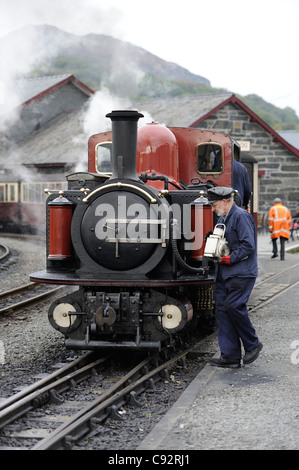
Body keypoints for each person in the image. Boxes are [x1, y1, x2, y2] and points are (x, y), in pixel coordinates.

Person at [206, 186, 263, 368]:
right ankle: (230, 356)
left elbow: (248, 245)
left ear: (224, 201)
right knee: (223, 310)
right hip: (225, 273)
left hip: (241, 272)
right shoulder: (224, 218)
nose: (213, 209)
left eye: (214, 205)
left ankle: (253, 344)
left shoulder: (240, 216)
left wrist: (230, 258)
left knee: (234, 306)